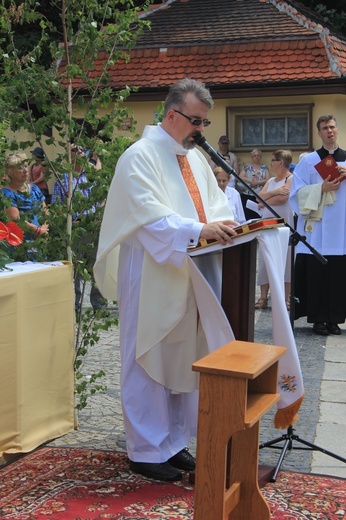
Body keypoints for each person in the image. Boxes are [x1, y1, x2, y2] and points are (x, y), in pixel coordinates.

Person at [94, 78, 238, 482]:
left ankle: (173, 444)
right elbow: (146, 214)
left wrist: (227, 227)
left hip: (189, 270)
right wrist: (198, 230)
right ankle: (144, 449)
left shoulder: (193, 159)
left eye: (205, 122)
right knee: (147, 357)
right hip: (151, 269)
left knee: (181, 357)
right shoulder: (138, 156)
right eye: (196, 121)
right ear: (172, 115)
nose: (202, 130)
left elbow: (217, 206)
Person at [289, 115, 346, 336]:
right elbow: (295, 193)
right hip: (317, 228)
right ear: (319, 133)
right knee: (317, 274)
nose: (329, 131)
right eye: (325, 128)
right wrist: (320, 188)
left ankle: (335, 319)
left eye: (332, 126)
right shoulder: (308, 161)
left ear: (337, 130)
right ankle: (318, 319)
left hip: (341, 230)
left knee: (337, 276)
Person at [51, 145, 106, 313]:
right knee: (75, 269)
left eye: (83, 150)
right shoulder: (63, 179)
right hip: (74, 228)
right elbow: (57, 205)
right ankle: (74, 304)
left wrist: (98, 215)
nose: (81, 152)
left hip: (93, 227)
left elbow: (102, 198)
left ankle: (99, 304)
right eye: (76, 150)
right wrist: (67, 220)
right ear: (69, 156)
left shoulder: (92, 177)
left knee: (97, 265)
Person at [255, 150, 294, 310]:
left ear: (280, 162)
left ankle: (286, 298)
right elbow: (257, 197)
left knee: (285, 259)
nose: (270, 163)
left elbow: (282, 199)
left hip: (283, 225)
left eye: (272, 160)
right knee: (264, 259)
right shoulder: (271, 181)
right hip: (266, 225)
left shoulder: (291, 178)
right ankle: (263, 297)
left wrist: (266, 199)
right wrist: (274, 191)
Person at [2, 152, 49, 239]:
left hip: (40, 238)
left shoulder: (34, 188)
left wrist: (44, 228)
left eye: (26, 166)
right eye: (20, 167)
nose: (25, 170)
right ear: (11, 172)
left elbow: (45, 211)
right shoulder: (6, 193)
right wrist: (38, 230)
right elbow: (16, 219)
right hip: (22, 241)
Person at [239, 149, 270, 219]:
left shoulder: (264, 168)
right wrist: (250, 181)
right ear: (252, 157)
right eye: (254, 156)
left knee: (258, 216)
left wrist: (258, 182)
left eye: (258, 155)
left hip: (259, 196)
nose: (256, 157)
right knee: (248, 216)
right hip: (247, 195)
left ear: (261, 157)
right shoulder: (247, 167)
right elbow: (240, 177)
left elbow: (268, 180)